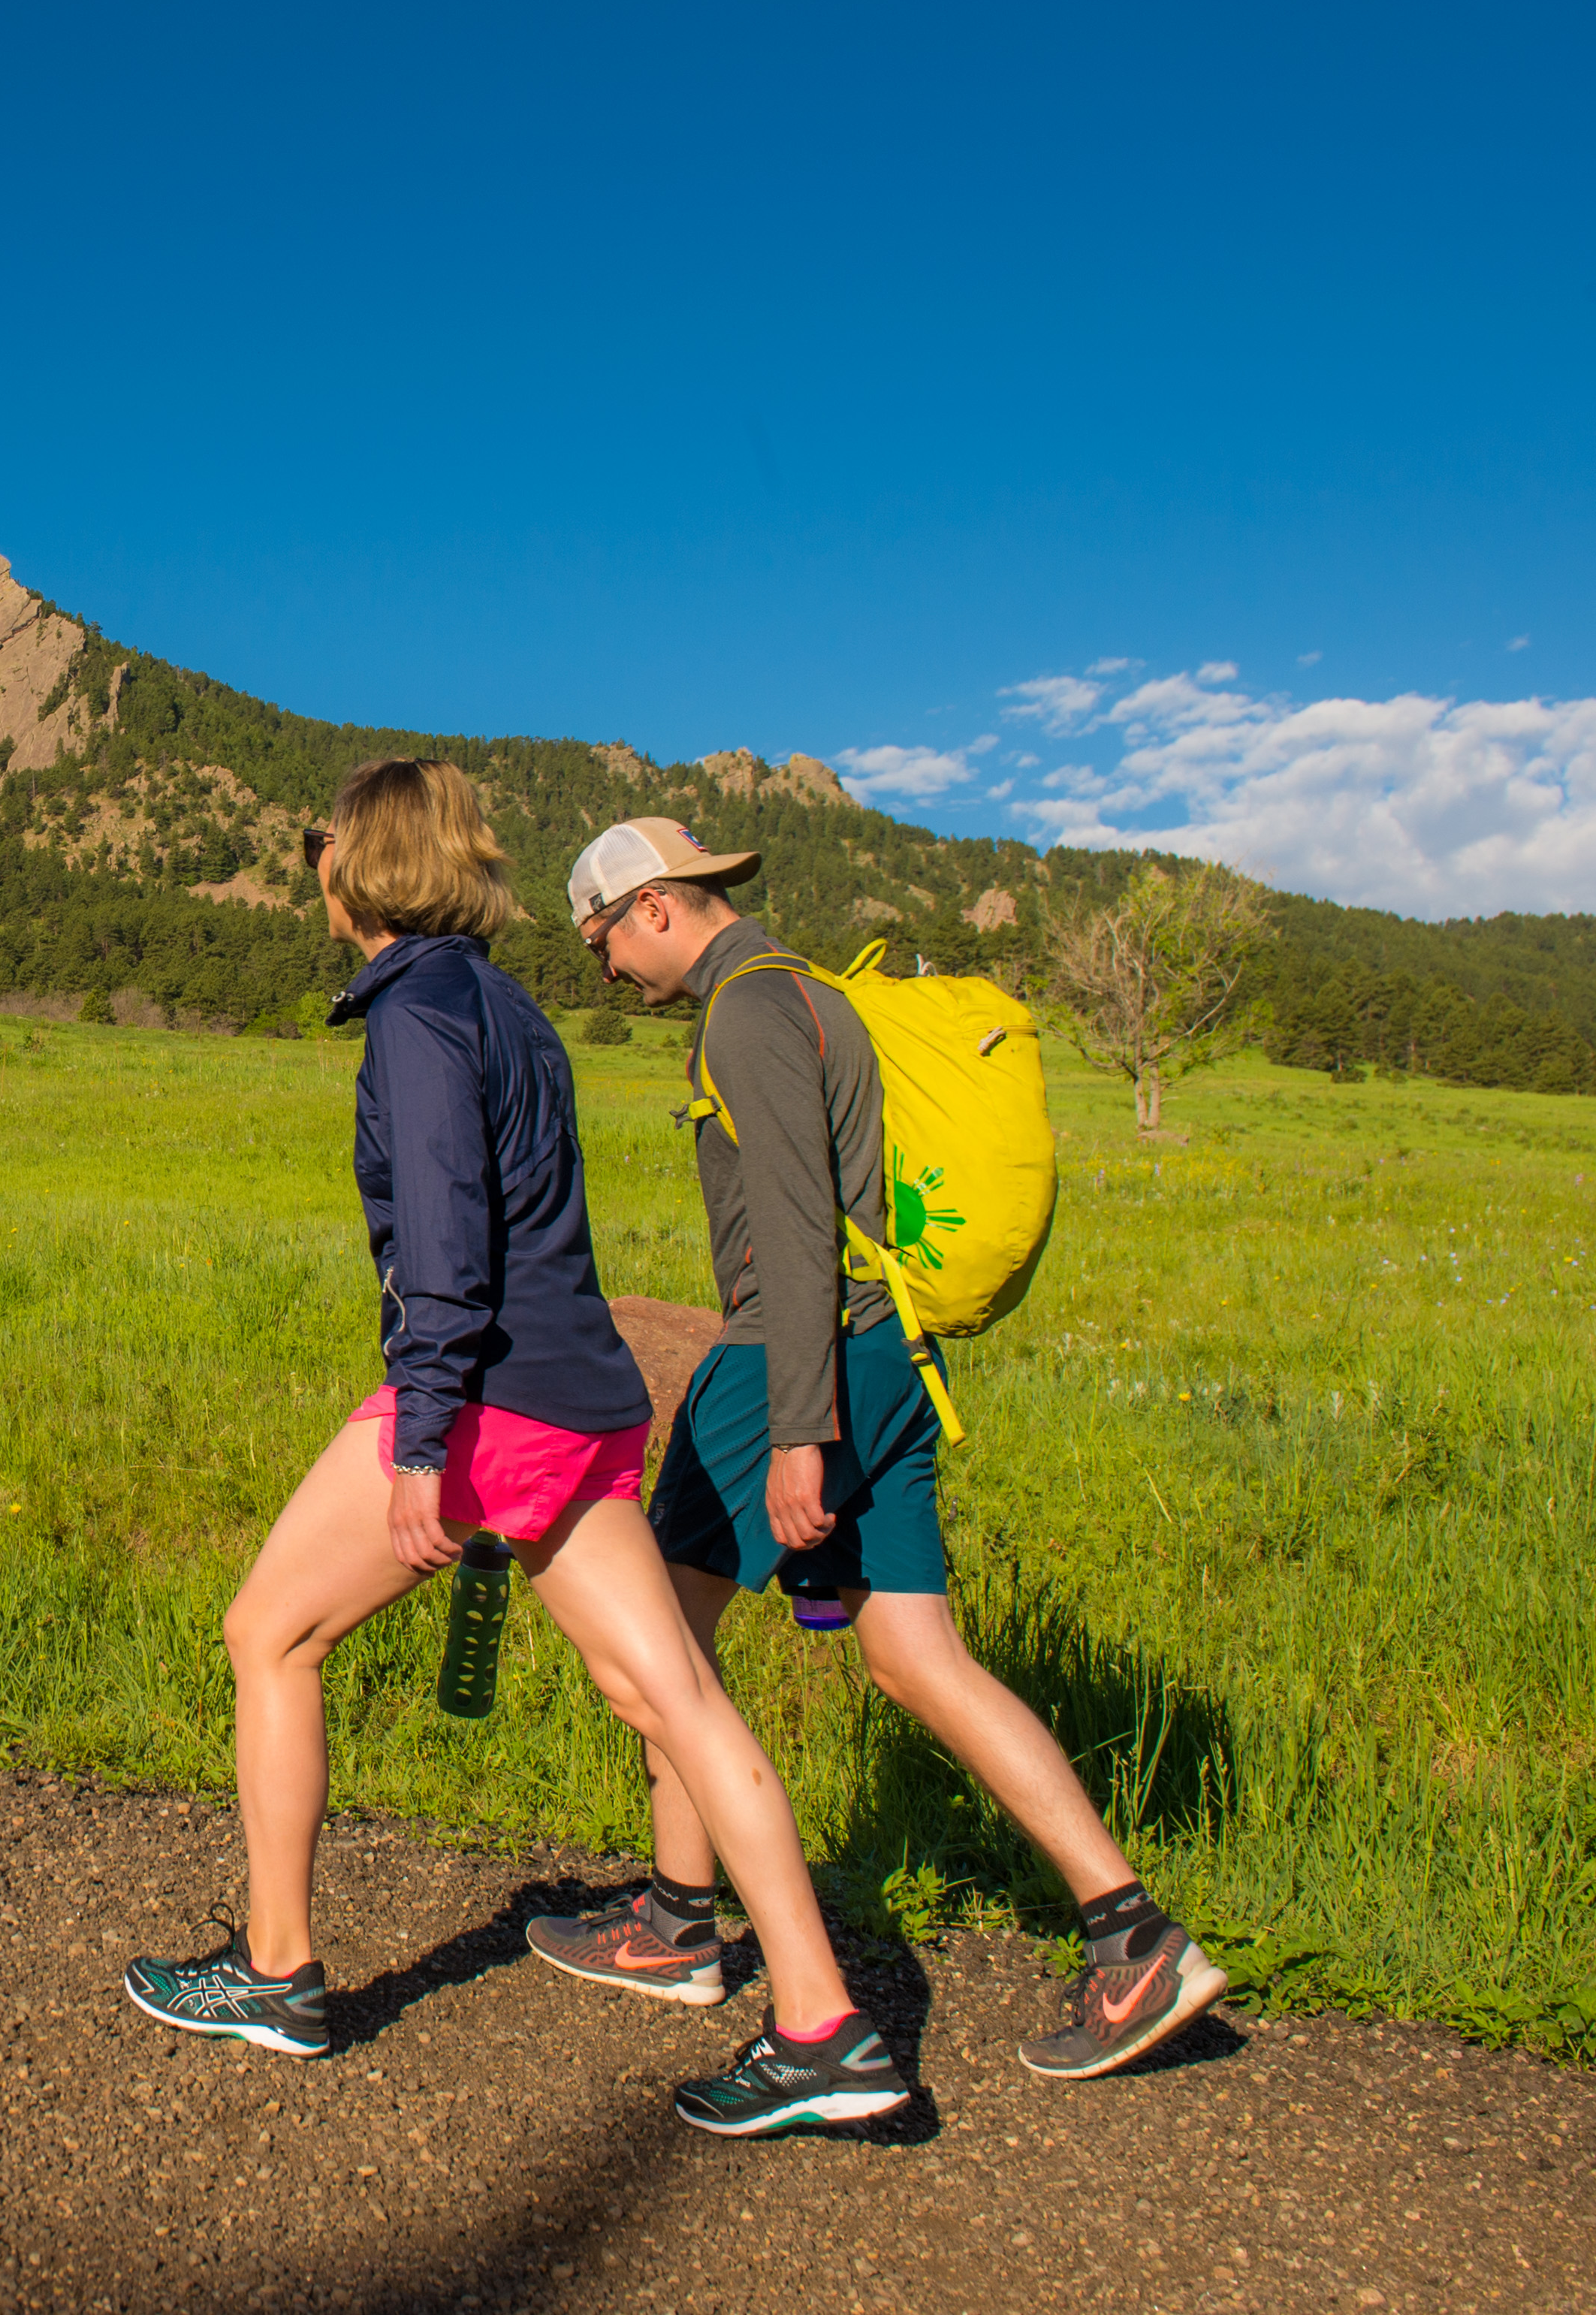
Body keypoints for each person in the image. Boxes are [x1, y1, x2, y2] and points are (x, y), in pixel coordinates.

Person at [120, 761, 909, 2138]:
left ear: (359, 863)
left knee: (269, 1635)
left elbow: (445, 1244)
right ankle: (824, 2020)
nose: (312, 860)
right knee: (678, 1699)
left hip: (486, 1401)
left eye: (321, 838)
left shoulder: (417, 1016)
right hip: (583, 1395)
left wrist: (424, 1435)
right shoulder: (509, 1003)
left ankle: (275, 1969)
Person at [535, 815, 1229, 2080]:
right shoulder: (812, 994)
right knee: (918, 1656)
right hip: (893, 1352)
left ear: (650, 907)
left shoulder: (742, 1013)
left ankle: (681, 1928)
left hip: (792, 1363)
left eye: (601, 946)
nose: (611, 975)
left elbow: (797, 1226)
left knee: (665, 1651)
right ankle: (1135, 1935)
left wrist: (798, 1427)